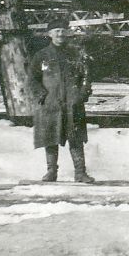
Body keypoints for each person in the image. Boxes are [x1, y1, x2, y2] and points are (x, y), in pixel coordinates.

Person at [27, 18, 95, 183]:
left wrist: (82, 94)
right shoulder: (41, 56)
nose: (60, 34)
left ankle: (80, 172)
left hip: (73, 103)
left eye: (63, 30)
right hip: (51, 103)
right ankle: (51, 171)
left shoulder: (77, 54)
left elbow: (86, 76)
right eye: (56, 31)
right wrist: (42, 95)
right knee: (50, 137)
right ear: (49, 34)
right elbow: (32, 79)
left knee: (76, 137)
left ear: (68, 33)